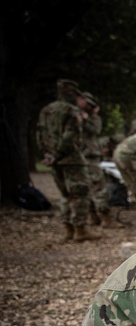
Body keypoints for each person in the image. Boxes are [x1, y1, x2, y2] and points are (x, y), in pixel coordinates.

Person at [35, 78, 101, 242]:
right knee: (80, 193)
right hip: (71, 159)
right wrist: (57, 154)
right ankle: (80, 229)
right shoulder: (71, 111)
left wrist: (48, 154)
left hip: (54, 160)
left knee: (65, 194)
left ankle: (68, 228)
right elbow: (70, 136)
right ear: (71, 93)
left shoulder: (46, 110)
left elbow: (40, 135)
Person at [77, 91, 113, 227]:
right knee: (84, 188)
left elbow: (95, 130)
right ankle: (93, 216)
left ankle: (105, 216)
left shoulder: (93, 118)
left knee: (98, 186)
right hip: (78, 156)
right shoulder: (72, 114)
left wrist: (85, 119)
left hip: (90, 156)